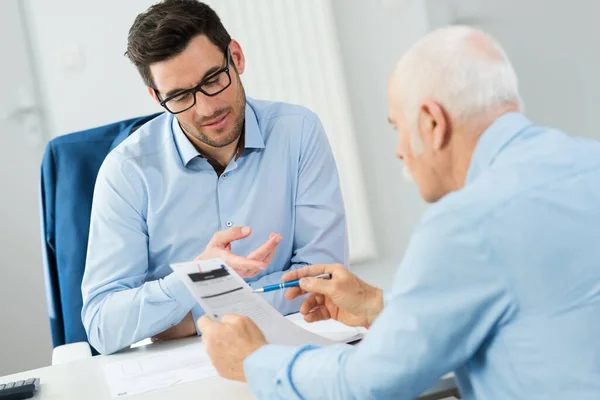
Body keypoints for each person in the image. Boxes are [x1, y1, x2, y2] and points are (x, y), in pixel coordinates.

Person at [197, 25, 600, 399]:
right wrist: (379, 304)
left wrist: (252, 360)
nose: (399, 150)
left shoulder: (467, 223)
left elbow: (369, 383)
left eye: (397, 127)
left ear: (431, 122)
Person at [81, 0, 348, 355]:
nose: (207, 109)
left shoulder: (298, 133)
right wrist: (195, 275)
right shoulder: (126, 172)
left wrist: (190, 318)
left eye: (212, 80)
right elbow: (103, 325)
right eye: (179, 96)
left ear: (235, 57)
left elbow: (323, 279)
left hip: (286, 350)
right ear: (156, 97)